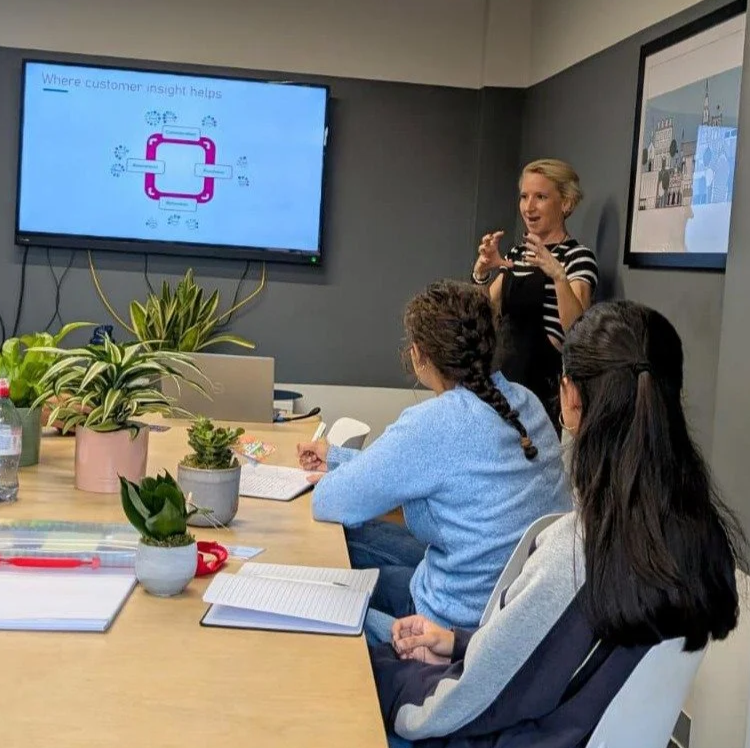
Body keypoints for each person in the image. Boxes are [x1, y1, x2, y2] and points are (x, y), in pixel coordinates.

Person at [370, 300, 743, 748]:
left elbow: (455, 709)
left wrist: (386, 680)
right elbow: (567, 659)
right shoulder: (701, 539)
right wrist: (462, 644)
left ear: (570, 397)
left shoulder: (579, 551)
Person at [298, 281, 570, 633]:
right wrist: (337, 460)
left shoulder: (436, 423)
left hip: (449, 620)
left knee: (332, 560)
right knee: (362, 540)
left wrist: (336, 474)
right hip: (513, 601)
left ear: (418, 353)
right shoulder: (526, 402)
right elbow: (426, 467)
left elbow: (329, 501)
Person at [472, 159, 598, 427]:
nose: (529, 207)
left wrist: (558, 276)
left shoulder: (577, 257)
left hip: (545, 391)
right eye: (524, 197)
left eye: (540, 197)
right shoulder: (517, 254)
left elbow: (577, 331)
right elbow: (481, 312)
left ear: (566, 203)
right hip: (504, 383)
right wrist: (482, 272)